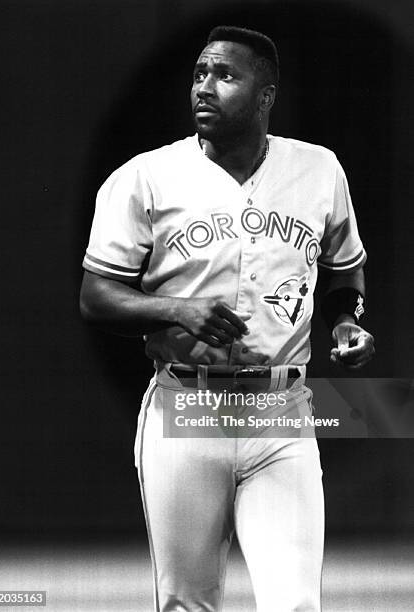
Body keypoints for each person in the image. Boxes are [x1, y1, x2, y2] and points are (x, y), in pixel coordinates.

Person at [80, 25, 375, 612]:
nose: (204, 88)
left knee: (294, 604)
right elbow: (95, 296)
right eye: (199, 74)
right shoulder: (146, 177)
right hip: (185, 408)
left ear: (266, 96)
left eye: (224, 75)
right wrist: (175, 309)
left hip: (280, 412)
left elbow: (344, 271)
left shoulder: (318, 171)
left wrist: (347, 320)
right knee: (188, 604)